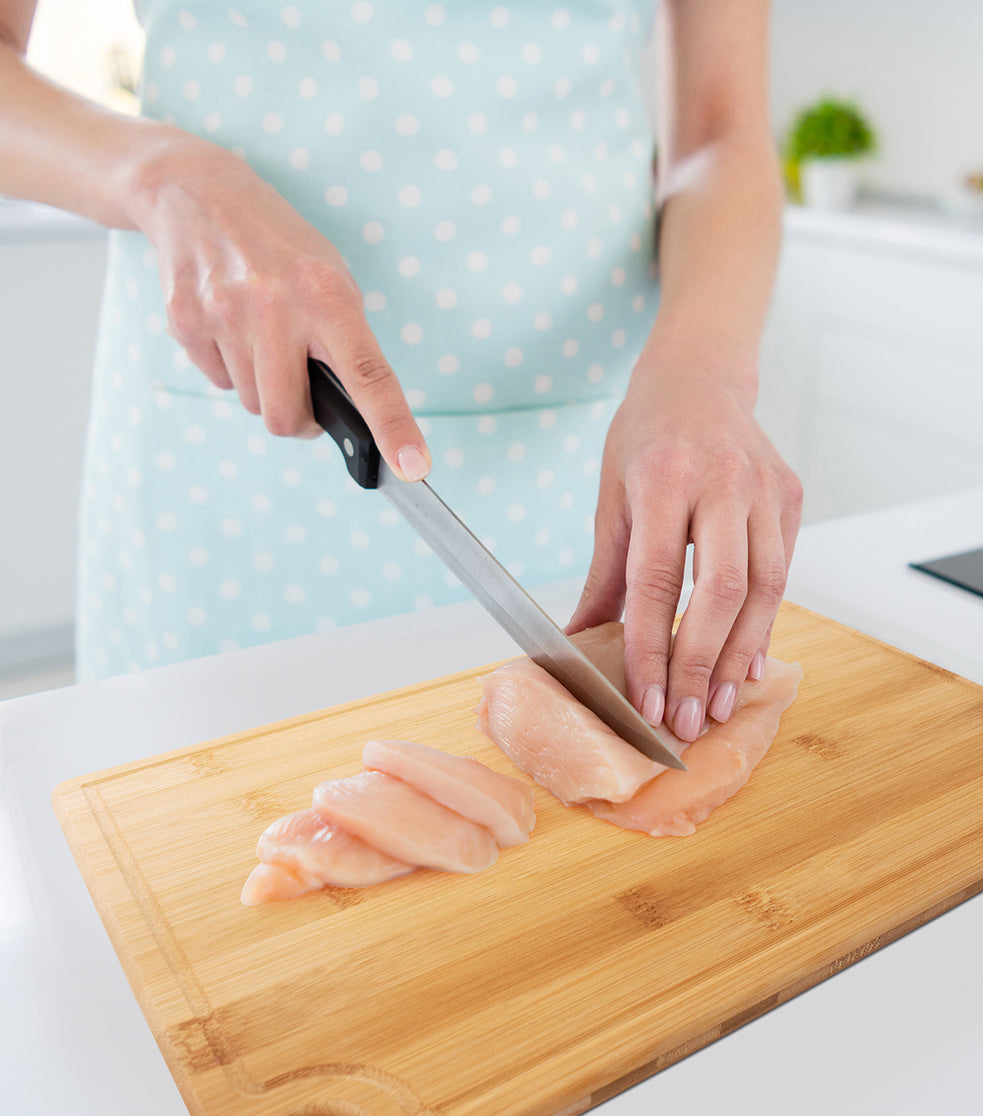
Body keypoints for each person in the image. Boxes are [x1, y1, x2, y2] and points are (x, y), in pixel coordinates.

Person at [0, 0, 801, 743]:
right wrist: (162, 176)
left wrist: (704, 369)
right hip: (228, 467)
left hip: (583, 473)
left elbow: (722, 132)